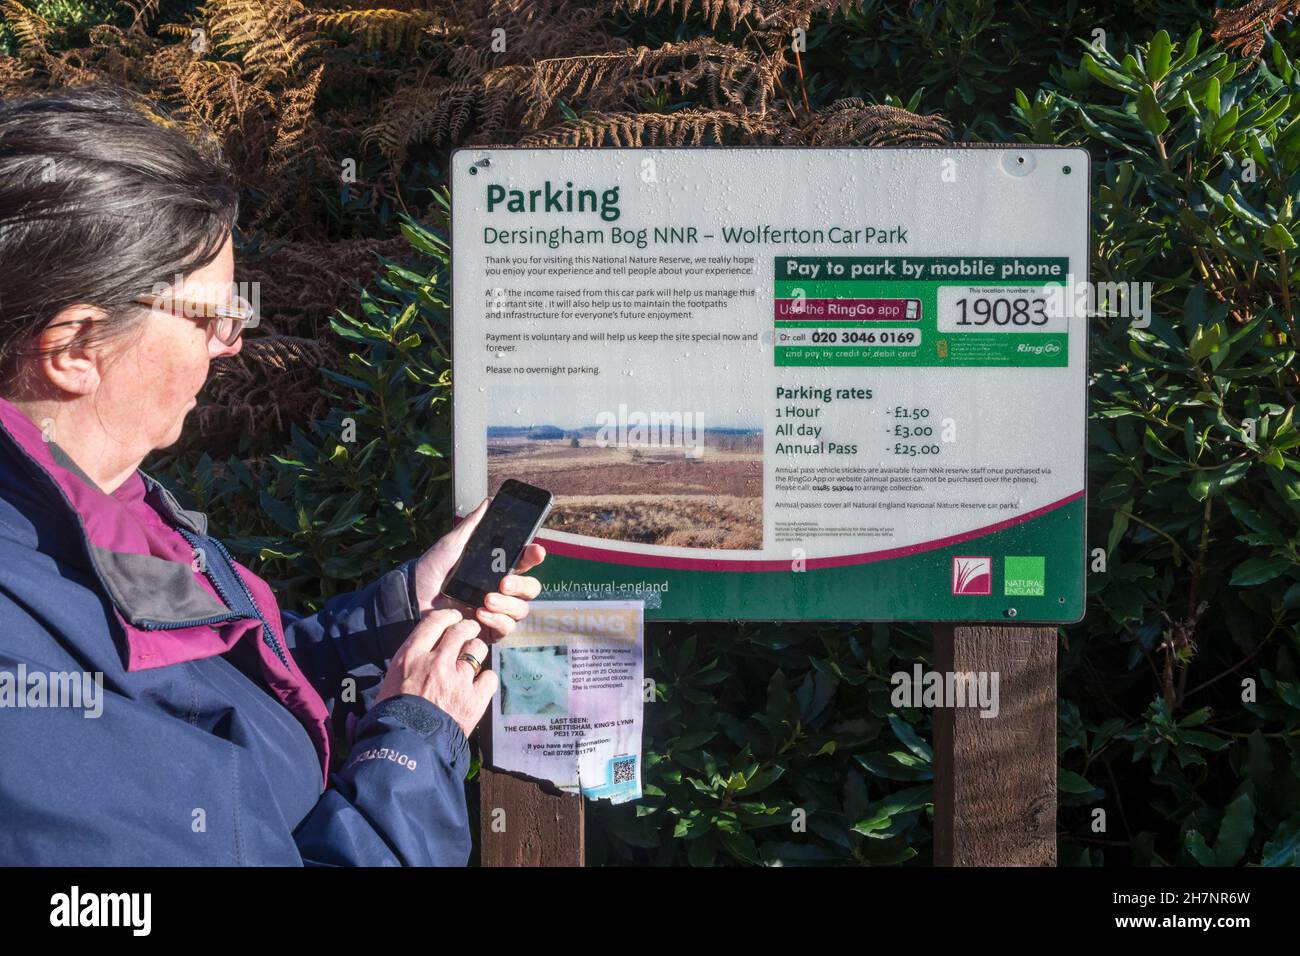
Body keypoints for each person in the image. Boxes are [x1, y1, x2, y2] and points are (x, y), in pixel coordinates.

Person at [0, 85, 543, 865]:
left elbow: (214, 693)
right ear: (75, 347)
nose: (231, 345)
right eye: (210, 316)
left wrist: (400, 609)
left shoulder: (103, 507)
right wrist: (414, 743)